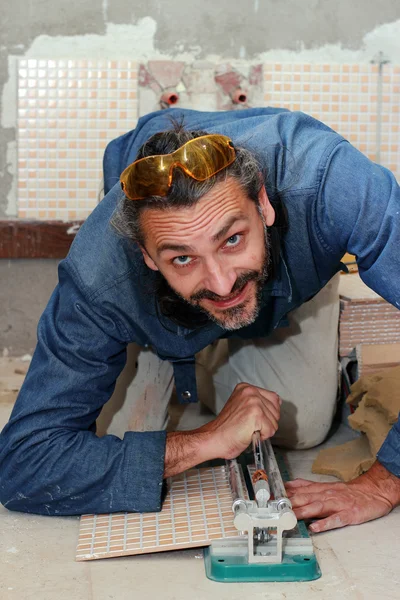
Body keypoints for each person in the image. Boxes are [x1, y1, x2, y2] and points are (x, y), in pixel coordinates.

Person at [0, 107, 399, 533]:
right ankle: (162, 345)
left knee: (305, 426)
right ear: (147, 256)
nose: (223, 284)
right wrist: (203, 441)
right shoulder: (101, 277)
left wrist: (385, 481)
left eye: (232, 239)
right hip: (152, 307)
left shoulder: (330, 184)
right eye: (182, 257)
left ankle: (211, 348)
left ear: (263, 205)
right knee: (110, 451)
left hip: (282, 293)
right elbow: (25, 463)